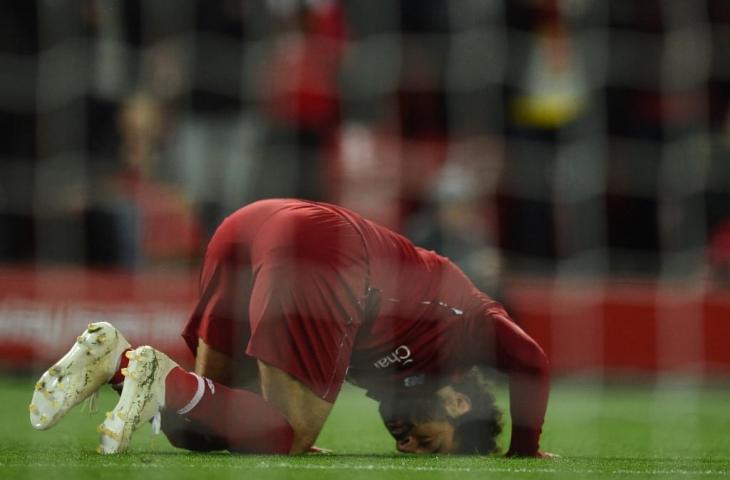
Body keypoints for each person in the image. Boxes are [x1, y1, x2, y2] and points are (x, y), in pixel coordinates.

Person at [30, 199, 552, 457]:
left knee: (213, 430)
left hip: (250, 227)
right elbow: (532, 360)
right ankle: (151, 370)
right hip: (327, 250)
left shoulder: (394, 375)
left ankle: (117, 361)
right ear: (460, 404)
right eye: (431, 444)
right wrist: (523, 454)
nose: (407, 447)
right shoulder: (467, 328)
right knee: (287, 436)